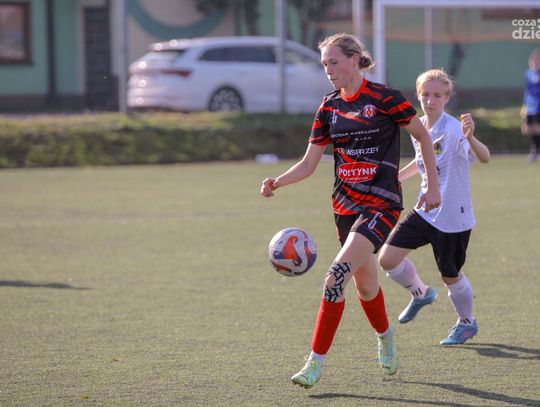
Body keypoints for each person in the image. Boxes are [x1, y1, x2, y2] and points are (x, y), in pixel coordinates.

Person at [260, 33, 441, 389]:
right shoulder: (328, 108)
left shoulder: (385, 98)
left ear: (355, 59)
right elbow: (309, 163)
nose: (328, 70)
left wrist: (431, 186)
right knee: (367, 287)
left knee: (334, 277)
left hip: (382, 204)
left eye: (334, 62)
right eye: (324, 64)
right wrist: (277, 182)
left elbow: (422, 136)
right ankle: (385, 337)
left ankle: (314, 363)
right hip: (345, 208)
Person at [378, 68, 490, 347]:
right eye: (425, 94)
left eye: (437, 95)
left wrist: (471, 137)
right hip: (426, 209)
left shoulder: (453, 129)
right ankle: (421, 293)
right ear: (417, 96)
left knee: (450, 275)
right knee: (387, 259)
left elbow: (485, 157)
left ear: (447, 98)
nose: (430, 100)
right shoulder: (419, 126)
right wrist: (397, 177)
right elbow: (422, 161)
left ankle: (467, 323)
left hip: (453, 216)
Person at [522, 49, 540, 164]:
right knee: (527, 129)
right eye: (533, 60)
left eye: (537, 60)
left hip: (539, 105)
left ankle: (534, 152)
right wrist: (524, 105)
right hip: (530, 105)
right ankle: (535, 150)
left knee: (537, 128)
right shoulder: (528, 74)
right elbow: (527, 90)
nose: (535, 62)